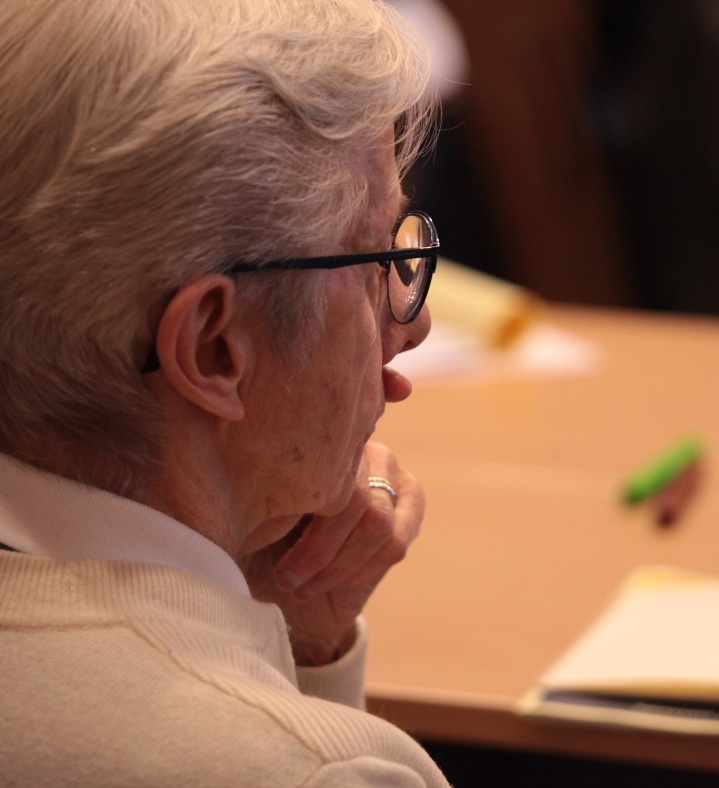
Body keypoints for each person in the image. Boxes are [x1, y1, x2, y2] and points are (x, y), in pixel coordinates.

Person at [0, 0, 450, 785]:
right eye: (378, 262)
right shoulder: (309, 770)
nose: (413, 328)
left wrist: (290, 637)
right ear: (213, 349)